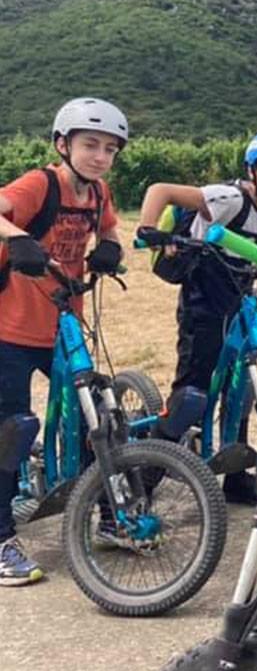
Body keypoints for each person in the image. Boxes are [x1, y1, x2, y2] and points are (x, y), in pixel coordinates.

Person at [136, 131, 257, 503]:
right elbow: (161, 189)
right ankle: (144, 478)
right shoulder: (228, 197)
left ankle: (236, 475)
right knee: (192, 396)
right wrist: (149, 230)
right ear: (252, 169)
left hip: (241, 297)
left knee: (241, 385)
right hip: (202, 301)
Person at [0, 98, 127, 585]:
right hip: (11, 327)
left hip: (65, 323)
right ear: (63, 144)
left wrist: (110, 244)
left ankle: (110, 516)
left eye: (109, 149)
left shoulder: (97, 192)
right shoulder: (41, 183)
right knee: (12, 430)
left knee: (96, 417)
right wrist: (18, 239)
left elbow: (109, 223)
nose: (99, 156)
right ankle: (2, 540)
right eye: (90, 144)